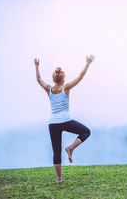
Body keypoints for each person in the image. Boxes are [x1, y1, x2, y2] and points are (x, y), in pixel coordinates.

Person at [34, 55, 94, 184]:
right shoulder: (66, 88)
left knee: (56, 151)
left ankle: (59, 178)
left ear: (54, 78)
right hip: (66, 121)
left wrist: (37, 66)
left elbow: (39, 79)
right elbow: (80, 77)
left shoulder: (49, 89)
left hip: (53, 124)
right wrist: (88, 63)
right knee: (86, 132)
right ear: (63, 79)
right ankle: (71, 148)